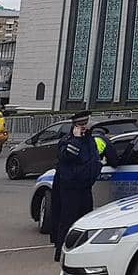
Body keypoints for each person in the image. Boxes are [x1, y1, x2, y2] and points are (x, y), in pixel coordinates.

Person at [49, 111, 117, 262]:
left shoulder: (91, 141)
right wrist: (76, 139)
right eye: (80, 125)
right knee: (67, 219)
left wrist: (98, 167)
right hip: (70, 187)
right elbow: (67, 156)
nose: (83, 128)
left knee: (85, 219)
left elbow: (94, 159)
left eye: (85, 124)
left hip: (85, 187)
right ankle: (61, 250)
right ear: (74, 126)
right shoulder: (67, 141)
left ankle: (81, 250)